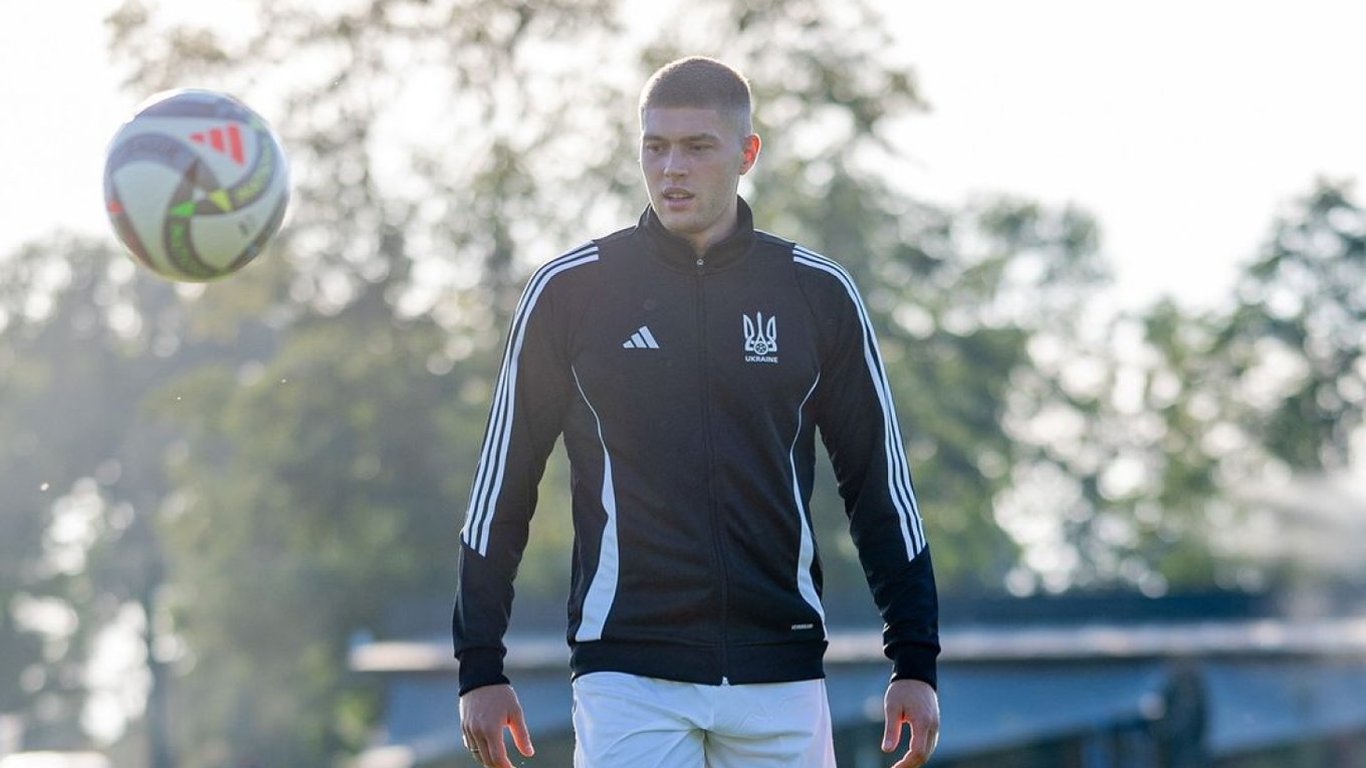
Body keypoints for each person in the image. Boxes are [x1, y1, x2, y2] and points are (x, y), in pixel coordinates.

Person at [454, 56, 940, 768]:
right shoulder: (569, 292)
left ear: (747, 153)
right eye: (655, 147)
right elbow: (503, 484)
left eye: (697, 146)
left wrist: (915, 658)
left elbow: (879, 488)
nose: (671, 168)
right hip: (628, 674)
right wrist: (480, 665)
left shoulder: (818, 293)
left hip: (781, 671)